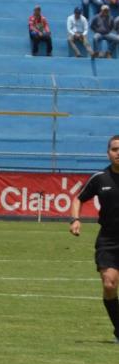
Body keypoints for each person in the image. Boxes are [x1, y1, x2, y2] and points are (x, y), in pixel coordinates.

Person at [69, 135, 119, 344]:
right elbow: (78, 199)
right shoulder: (100, 178)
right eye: (115, 149)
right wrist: (75, 219)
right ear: (108, 153)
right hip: (109, 239)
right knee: (109, 285)